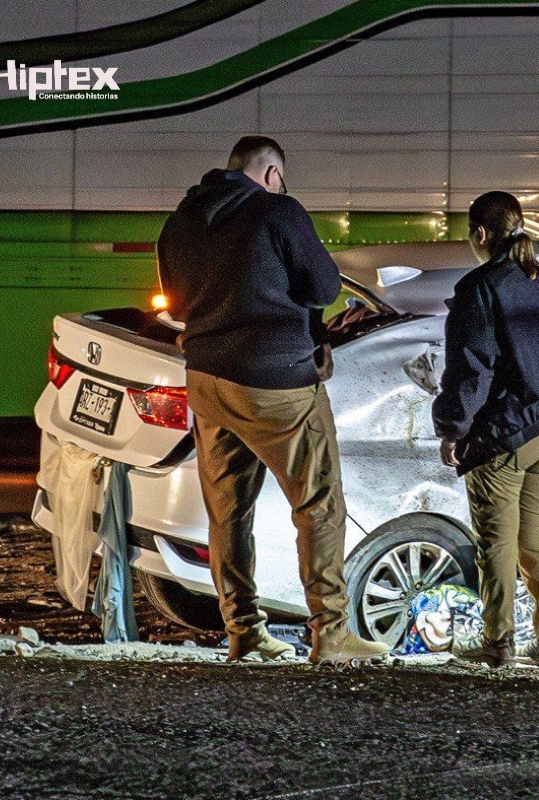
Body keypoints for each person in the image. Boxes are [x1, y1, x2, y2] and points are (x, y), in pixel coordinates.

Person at [157, 136, 389, 666]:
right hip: (275, 383)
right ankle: (330, 633)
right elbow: (324, 285)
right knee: (319, 505)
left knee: (228, 514)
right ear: (271, 173)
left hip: (208, 381)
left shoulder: (182, 221)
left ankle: (244, 631)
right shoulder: (277, 210)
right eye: (282, 178)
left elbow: (174, 298)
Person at [433, 191, 539, 669]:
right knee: (535, 537)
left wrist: (452, 430)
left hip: (505, 436)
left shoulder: (480, 287)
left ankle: (498, 643)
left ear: (479, 234)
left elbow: (471, 370)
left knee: (495, 541)